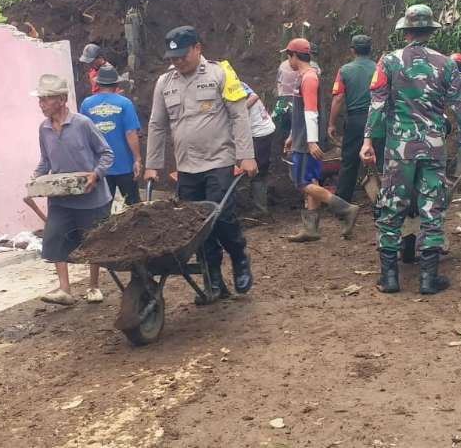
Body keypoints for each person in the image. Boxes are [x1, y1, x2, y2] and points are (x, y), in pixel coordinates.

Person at [360, 5, 461, 294]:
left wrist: (368, 141)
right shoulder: (447, 64)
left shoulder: (389, 62)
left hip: (399, 150)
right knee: (433, 209)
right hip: (433, 148)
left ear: (405, 31)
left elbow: (377, 105)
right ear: (430, 31)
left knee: (392, 207)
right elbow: (460, 107)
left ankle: (389, 278)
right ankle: (429, 279)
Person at [144, 26, 258, 303]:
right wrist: (152, 164)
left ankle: (240, 257)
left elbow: (239, 116)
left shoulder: (221, 74)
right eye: (172, 58)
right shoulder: (165, 83)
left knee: (222, 218)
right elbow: (157, 125)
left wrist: (246, 155)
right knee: (195, 228)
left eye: (182, 55)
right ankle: (214, 281)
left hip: (219, 160)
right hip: (186, 167)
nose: (177, 61)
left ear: (198, 48)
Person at [30, 74, 114, 306]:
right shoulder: (44, 129)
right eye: (41, 99)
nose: (42, 104)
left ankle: (94, 286)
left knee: (93, 241)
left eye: (46, 99)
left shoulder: (83, 124)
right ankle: (65, 289)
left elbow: (107, 154)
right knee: (56, 238)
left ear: (62, 100)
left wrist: (95, 174)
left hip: (91, 196)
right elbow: (45, 161)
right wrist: (35, 177)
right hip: (60, 196)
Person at [282, 38, 361, 242]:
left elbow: (310, 112)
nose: (287, 60)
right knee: (312, 180)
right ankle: (311, 228)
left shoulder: (309, 78)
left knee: (302, 182)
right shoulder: (305, 76)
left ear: (294, 56)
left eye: (288, 56)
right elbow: (300, 113)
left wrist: (311, 141)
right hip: (302, 137)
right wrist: (292, 135)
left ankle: (346, 209)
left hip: (307, 141)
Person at [81, 65, 143, 205]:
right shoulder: (125, 103)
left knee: (101, 212)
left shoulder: (86, 104)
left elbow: (83, 136)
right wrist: (137, 159)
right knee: (134, 208)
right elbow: (130, 132)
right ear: (116, 84)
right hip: (125, 166)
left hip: (99, 168)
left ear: (98, 83)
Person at [328, 34, 378, 203]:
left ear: (352, 50)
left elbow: (338, 98)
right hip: (378, 119)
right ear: (370, 50)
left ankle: (342, 204)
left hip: (356, 122)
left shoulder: (345, 71)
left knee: (349, 162)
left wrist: (331, 123)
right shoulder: (380, 68)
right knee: (382, 160)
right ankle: (386, 201)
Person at [239, 79, 276, 213]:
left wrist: (240, 110)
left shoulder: (233, 88)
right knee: (258, 167)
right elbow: (254, 95)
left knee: (257, 170)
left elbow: (253, 97)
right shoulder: (239, 83)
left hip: (260, 133)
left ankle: (260, 209)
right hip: (263, 129)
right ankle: (259, 197)